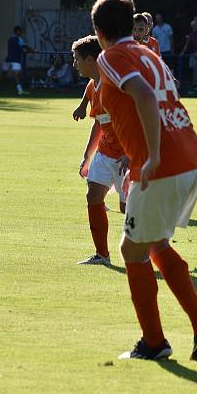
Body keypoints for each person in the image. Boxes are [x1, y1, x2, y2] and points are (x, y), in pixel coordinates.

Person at [92, 0, 197, 361]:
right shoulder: (148, 53)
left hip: (161, 164)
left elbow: (145, 97)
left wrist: (151, 156)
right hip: (190, 155)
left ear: (98, 29)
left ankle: (154, 341)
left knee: (132, 249)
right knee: (155, 244)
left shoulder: (110, 56)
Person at [71, 35, 129, 265]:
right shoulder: (92, 85)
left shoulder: (114, 86)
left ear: (92, 59)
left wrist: (130, 153)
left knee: (127, 209)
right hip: (106, 152)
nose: (74, 63)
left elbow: (133, 120)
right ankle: (102, 254)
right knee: (93, 196)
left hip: (127, 155)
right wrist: (87, 157)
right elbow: (99, 123)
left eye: (77, 59)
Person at [0, 26, 34, 95]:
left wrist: (26, 50)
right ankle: (20, 91)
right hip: (15, 59)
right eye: (20, 31)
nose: (21, 33)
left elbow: (21, 49)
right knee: (17, 74)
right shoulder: (19, 39)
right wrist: (32, 51)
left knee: (3, 74)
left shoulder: (10, 38)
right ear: (17, 31)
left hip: (8, 59)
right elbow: (25, 47)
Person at [181, 18, 197, 86]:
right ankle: (194, 85)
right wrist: (183, 52)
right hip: (193, 55)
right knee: (192, 70)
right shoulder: (191, 34)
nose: (194, 26)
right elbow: (186, 45)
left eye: (196, 24)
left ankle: (196, 85)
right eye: (193, 25)